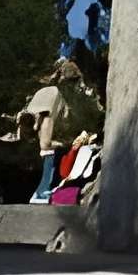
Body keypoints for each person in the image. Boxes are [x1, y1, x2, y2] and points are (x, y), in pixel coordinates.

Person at [17, 61, 103, 204]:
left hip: (59, 133)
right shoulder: (46, 107)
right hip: (54, 138)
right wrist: (63, 144)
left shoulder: (47, 104)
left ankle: (48, 192)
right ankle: (44, 193)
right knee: (55, 163)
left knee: (60, 167)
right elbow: (46, 143)